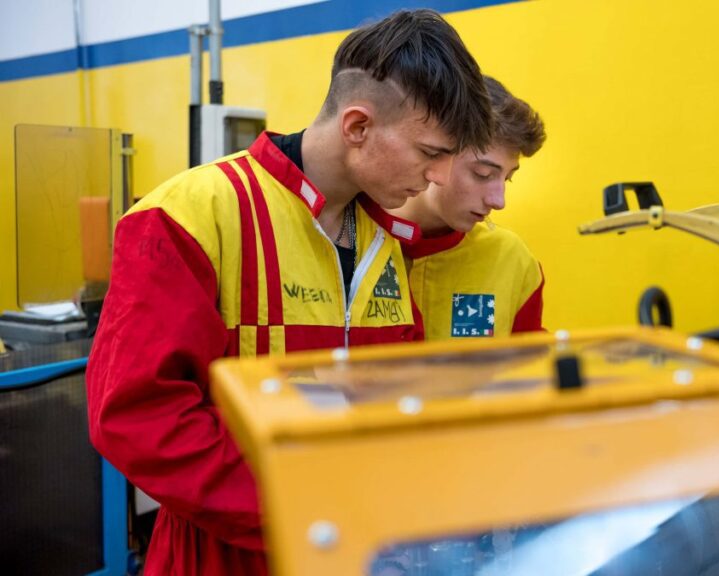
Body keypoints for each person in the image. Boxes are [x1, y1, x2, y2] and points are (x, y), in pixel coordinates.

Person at [86, 9, 491, 575]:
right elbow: (138, 416)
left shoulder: (386, 241)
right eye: (429, 154)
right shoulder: (189, 216)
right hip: (225, 554)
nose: (439, 177)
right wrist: (298, 509)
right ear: (357, 127)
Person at [391, 76, 546, 339]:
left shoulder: (512, 260)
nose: (499, 201)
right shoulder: (346, 240)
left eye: (508, 177)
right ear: (433, 152)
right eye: (483, 174)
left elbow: (529, 373)